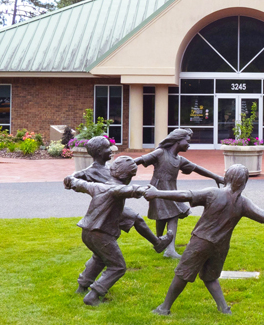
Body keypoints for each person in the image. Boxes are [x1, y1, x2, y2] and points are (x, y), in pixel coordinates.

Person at [146, 164, 264, 315]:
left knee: (182, 274)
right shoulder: (243, 203)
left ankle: (164, 308)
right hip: (221, 246)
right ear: (244, 182)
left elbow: (185, 195)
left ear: (226, 177)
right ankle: (224, 309)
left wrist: (158, 193)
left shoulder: (213, 193)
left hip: (201, 241)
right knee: (210, 277)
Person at [72, 135, 174, 292]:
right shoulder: (90, 171)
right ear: (99, 152)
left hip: (112, 207)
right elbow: (74, 179)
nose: (112, 150)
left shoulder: (110, 167)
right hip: (105, 210)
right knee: (115, 262)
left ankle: (84, 284)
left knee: (102, 253)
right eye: (107, 148)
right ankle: (94, 293)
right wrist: (71, 179)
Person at [64, 156, 149, 306]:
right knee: (118, 266)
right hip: (101, 234)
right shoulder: (116, 189)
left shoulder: (98, 187)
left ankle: (82, 285)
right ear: (126, 176)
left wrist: (70, 180)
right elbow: (125, 190)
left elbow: (79, 183)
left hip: (87, 232)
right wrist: (141, 190)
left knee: (99, 258)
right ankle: (93, 296)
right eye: (131, 176)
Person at [134, 128, 225, 259]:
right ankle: (169, 249)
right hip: (157, 188)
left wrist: (217, 177)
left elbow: (197, 168)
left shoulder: (179, 159)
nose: (189, 144)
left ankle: (159, 241)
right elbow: (141, 160)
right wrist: (123, 165)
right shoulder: (160, 153)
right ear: (177, 140)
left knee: (163, 215)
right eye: (187, 141)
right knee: (172, 215)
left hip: (170, 188)